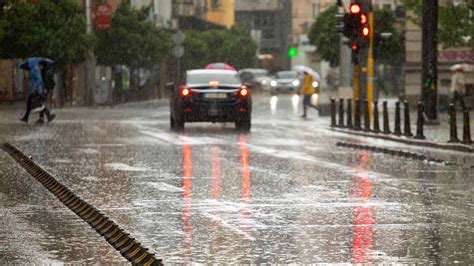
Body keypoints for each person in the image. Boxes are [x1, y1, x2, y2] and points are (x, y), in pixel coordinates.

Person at [19, 58, 55, 124]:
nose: (38, 66)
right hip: (38, 90)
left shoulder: (38, 71)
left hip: (39, 90)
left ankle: (48, 114)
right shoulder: (38, 70)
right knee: (30, 102)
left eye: (40, 65)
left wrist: (40, 88)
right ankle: (27, 117)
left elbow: (39, 80)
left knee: (38, 104)